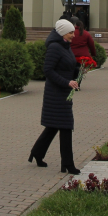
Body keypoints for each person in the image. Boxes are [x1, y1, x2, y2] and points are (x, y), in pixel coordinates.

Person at [28, 19, 81, 175]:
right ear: (63, 32)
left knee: (53, 126)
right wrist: (66, 82)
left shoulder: (65, 46)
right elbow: (48, 71)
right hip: (56, 93)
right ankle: (68, 164)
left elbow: (69, 66)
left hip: (64, 92)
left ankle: (37, 153)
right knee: (66, 126)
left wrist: (79, 72)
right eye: (71, 32)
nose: (73, 35)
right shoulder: (55, 47)